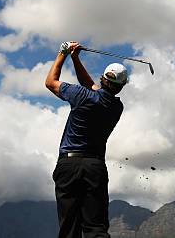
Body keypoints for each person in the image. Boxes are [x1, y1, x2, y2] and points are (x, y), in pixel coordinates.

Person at [45, 41, 128, 238]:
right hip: (95, 167)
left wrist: (63, 53)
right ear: (121, 87)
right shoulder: (116, 107)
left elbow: (50, 82)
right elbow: (91, 87)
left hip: (69, 164)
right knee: (96, 229)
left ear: (102, 79)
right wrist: (75, 58)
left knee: (69, 229)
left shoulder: (81, 95)